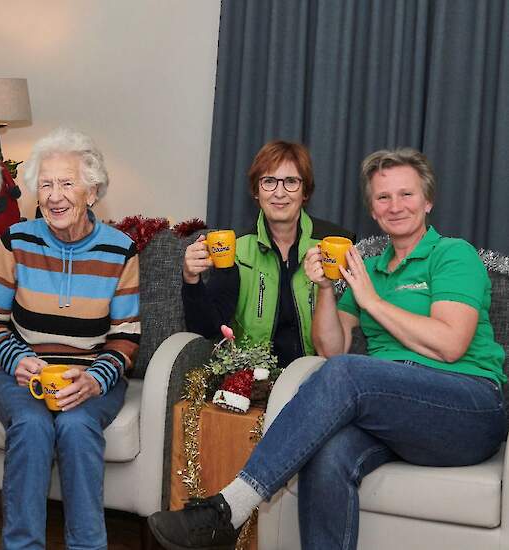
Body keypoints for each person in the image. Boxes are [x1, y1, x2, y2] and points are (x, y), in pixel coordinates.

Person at [149, 148, 506, 550]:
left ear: (428, 201)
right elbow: (331, 349)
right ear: (372, 209)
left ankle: (229, 508)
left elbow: (450, 345)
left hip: (468, 408)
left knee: (346, 372)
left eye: (406, 195)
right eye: (383, 197)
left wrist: (372, 302)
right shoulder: (366, 270)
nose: (395, 206)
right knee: (326, 454)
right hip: (398, 415)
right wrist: (324, 290)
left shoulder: (452, 255)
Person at [0, 127, 141, 549]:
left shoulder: (120, 250)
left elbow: (125, 337)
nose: (54, 195)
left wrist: (95, 380)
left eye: (67, 183)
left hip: (90, 375)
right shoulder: (16, 241)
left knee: (77, 424)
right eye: (45, 184)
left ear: (92, 191)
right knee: (30, 425)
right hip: (23, 372)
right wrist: (15, 360)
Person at [183, 141, 354, 368]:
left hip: (312, 377)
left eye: (291, 181)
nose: (279, 193)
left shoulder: (334, 247)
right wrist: (191, 280)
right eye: (269, 181)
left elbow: (337, 350)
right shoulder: (237, 251)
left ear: (306, 192)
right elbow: (205, 329)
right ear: (256, 191)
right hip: (251, 381)